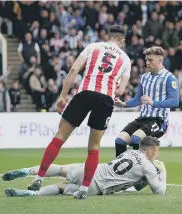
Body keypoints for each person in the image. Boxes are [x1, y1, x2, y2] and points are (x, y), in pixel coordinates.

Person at [27, 25, 131, 200]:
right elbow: (120, 90)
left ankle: (39, 177)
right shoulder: (126, 59)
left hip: (84, 93)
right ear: (123, 40)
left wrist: (62, 96)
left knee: (59, 137)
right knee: (93, 147)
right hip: (105, 99)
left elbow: (74, 70)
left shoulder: (93, 47)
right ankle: (84, 187)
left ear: (107, 36)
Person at [4, 136, 166, 197]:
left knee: (60, 169)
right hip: (97, 186)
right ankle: (29, 193)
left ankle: (26, 171)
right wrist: (162, 171)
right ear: (150, 151)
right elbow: (159, 191)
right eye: (156, 151)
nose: (157, 155)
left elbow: (134, 184)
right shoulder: (148, 166)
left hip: (91, 169)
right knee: (61, 188)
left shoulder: (129, 153)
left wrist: (143, 180)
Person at [114, 46, 179, 158]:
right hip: (142, 119)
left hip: (159, 121)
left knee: (136, 138)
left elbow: (175, 101)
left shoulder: (169, 78)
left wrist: (153, 103)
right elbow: (138, 99)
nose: (147, 62)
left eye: (150, 60)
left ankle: (141, 169)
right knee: (120, 140)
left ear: (160, 60)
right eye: (146, 60)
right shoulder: (144, 77)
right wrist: (124, 104)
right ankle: (122, 169)